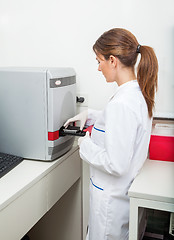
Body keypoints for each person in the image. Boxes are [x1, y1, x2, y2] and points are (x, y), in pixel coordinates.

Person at [64, 28, 158, 240]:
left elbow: (116, 164)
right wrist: (89, 115)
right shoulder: (137, 94)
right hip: (120, 198)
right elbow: (120, 126)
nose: (98, 68)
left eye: (99, 61)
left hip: (110, 205)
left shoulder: (122, 104)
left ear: (113, 61)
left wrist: (84, 144)